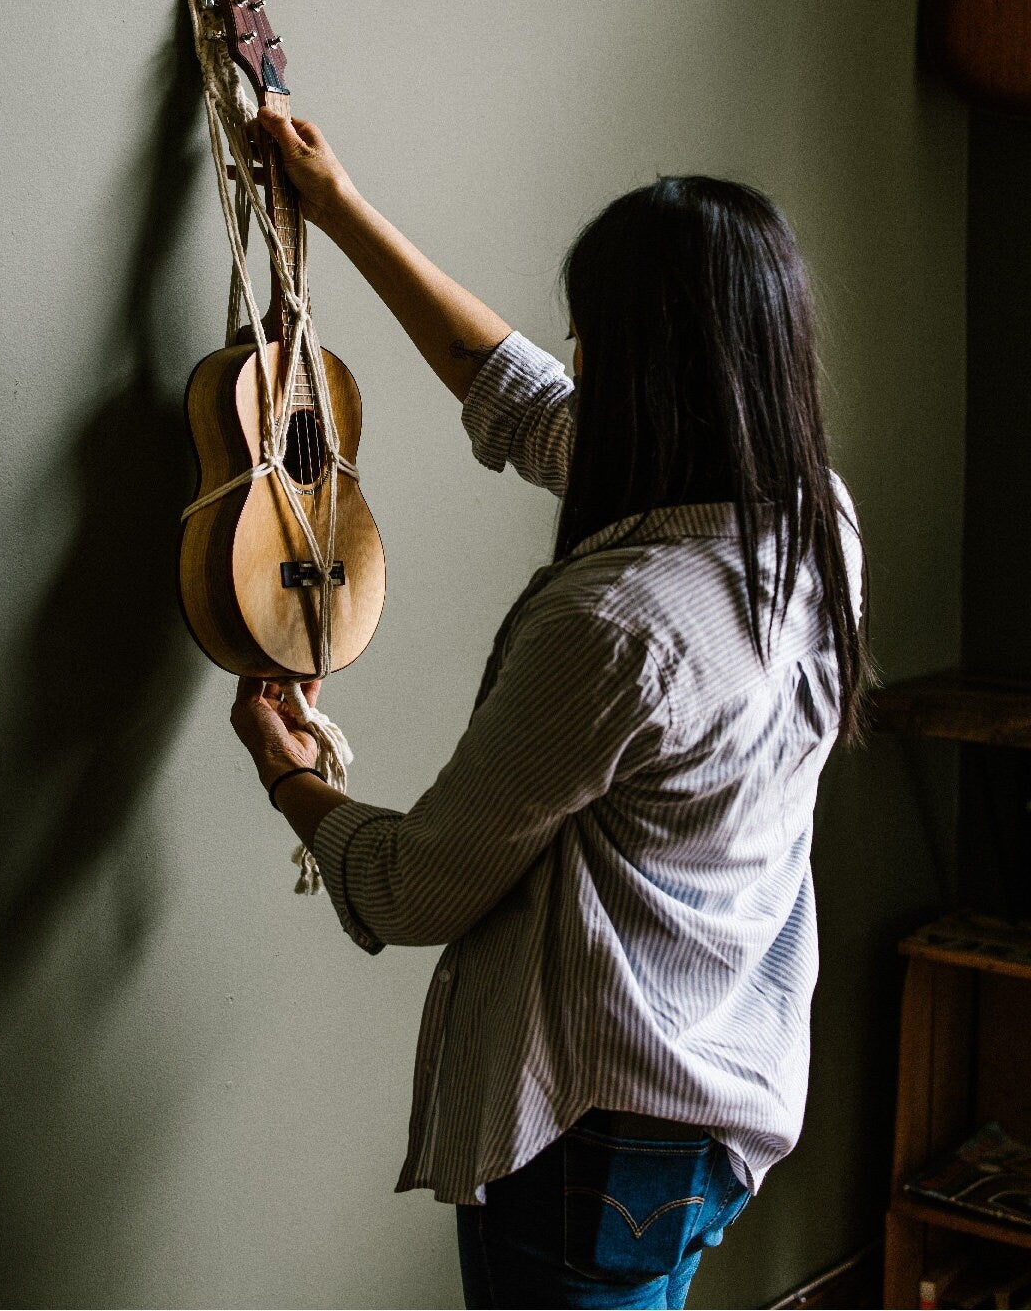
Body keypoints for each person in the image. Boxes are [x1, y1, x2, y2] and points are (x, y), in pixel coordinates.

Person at [229, 108, 870, 1311]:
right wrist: (338, 206)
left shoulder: (618, 627)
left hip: (595, 1129)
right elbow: (518, 401)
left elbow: (419, 887)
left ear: (639, 367)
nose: (572, 358)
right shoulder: (808, 520)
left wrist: (287, 775)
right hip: (716, 1090)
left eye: (592, 341)